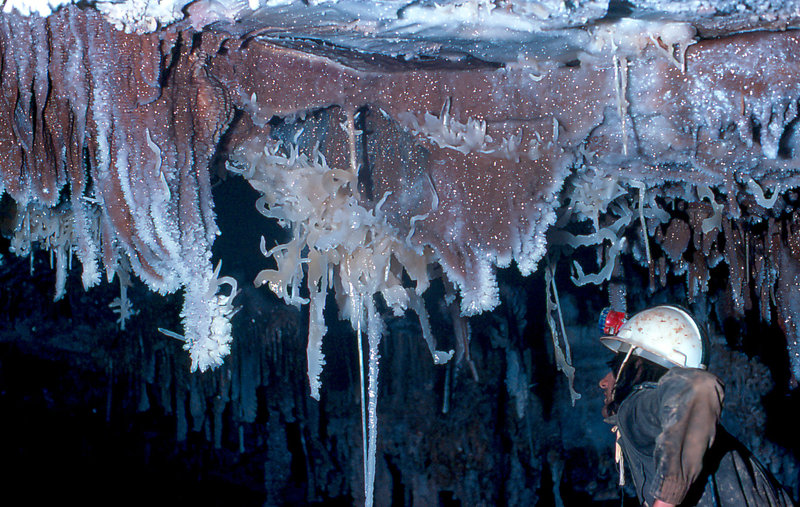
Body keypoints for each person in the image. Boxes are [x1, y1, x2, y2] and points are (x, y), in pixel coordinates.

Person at [598, 305, 796, 507]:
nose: (603, 382)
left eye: (613, 368)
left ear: (636, 367)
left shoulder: (635, 408)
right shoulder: (694, 430)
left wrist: (666, 499)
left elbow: (700, 386)